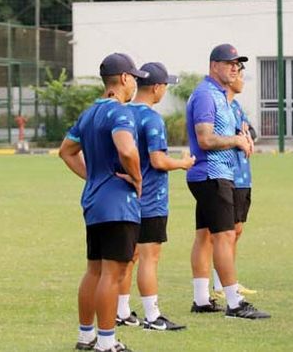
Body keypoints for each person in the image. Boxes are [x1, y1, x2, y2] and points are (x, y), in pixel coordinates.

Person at [59, 53, 148, 352]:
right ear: (124, 78)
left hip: (94, 202)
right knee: (113, 273)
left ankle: (87, 336)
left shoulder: (88, 113)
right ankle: (107, 343)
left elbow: (66, 151)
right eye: (134, 77)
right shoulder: (120, 112)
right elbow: (127, 150)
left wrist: (93, 177)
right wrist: (137, 178)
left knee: (94, 271)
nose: (135, 82)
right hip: (118, 204)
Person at [186, 43, 268, 319]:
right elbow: (205, 139)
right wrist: (237, 139)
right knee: (224, 235)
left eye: (237, 63)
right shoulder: (207, 95)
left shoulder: (220, 95)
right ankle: (234, 302)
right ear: (214, 66)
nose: (235, 67)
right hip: (212, 172)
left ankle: (201, 299)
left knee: (206, 235)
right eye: (229, 62)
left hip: (217, 173)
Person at [116, 62, 192, 332]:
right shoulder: (152, 118)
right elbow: (158, 160)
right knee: (150, 257)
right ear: (157, 88)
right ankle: (152, 316)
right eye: (165, 86)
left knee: (129, 257)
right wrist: (183, 163)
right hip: (151, 200)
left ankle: (122, 312)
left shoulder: (122, 113)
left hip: (125, 200)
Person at [212, 63, 257, 298]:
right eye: (240, 76)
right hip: (227, 175)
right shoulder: (221, 107)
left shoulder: (236, 106)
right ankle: (220, 284)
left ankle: (228, 280)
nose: (241, 80)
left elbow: (249, 132)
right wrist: (240, 137)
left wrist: (247, 137)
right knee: (226, 232)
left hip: (243, 176)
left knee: (236, 231)